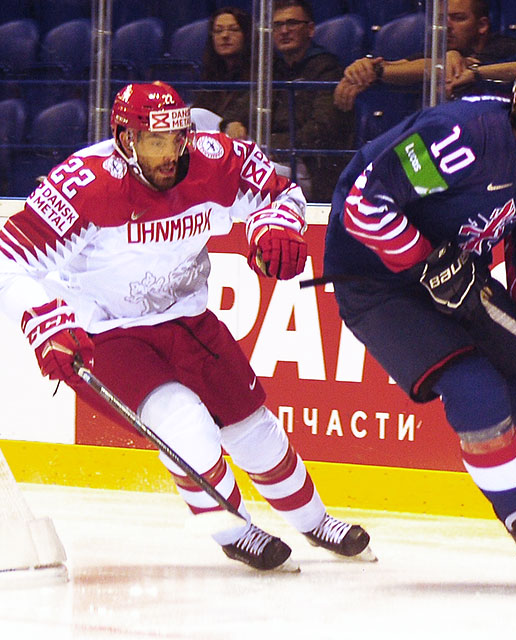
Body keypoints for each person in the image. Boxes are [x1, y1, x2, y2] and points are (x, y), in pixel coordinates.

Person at [0, 81, 374, 572]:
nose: (172, 153)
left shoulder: (216, 161)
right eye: (157, 141)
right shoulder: (83, 186)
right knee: (185, 425)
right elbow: (10, 259)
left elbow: (280, 193)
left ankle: (314, 520)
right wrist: (46, 322)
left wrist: (276, 226)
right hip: (106, 331)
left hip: (187, 317)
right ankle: (233, 529)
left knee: (253, 426)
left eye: (179, 138)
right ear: (125, 139)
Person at [322, 40, 516, 591]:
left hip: (456, 274)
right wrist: (421, 263)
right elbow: (364, 204)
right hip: (376, 277)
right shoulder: (463, 136)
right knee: (475, 386)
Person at [220, 0, 355, 202]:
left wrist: (269, 145)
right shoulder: (273, 67)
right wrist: (233, 123)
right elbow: (240, 107)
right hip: (269, 153)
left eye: (292, 23)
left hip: (306, 164)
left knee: (245, 174)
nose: (284, 31)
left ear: (310, 29)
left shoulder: (326, 69)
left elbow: (320, 131)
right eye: (278, 25)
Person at [332, 0, 516, 110]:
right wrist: (365, 68)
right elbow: (405, 65)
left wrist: (380, 71)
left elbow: (459, 68)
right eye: (442, 19)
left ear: (482, 25)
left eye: (458, 18)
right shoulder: (438, 53)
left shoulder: (506, 48)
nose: (447, 26)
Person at [193, 6, 252, 139]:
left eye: (234, 30)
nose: (225, 36)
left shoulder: (259, 70)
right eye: (218, 31)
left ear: (246, 35)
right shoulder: (213, 72)